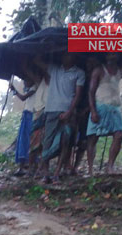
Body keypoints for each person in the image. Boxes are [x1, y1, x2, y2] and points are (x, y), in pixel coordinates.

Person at [34, 53, 85, 183]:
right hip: (51, 110)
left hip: (68, 111)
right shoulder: (54, 69)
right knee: (47, 141)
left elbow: (77, 95)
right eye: (65, 55)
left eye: (69, 55)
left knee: (65, 142)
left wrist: (69, 112)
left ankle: (56, 173)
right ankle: (45, 173)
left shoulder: (79, 73)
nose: (66, 57)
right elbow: (37, 60)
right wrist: (51, 49)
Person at [9, 76, 38, 176]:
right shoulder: (30, 88)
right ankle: (22, 166)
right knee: (22, 141)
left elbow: (23, 98)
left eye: (26, 80)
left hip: (31, 115)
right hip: (26, 115)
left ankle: (29, 165)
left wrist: (14, 90)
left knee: (28, 141)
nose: (24, 83)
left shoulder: (35, 88)